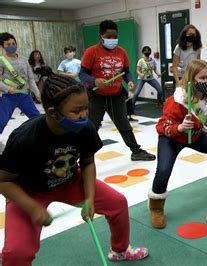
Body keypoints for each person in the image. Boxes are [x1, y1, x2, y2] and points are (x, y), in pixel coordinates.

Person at [0, 75, 149, 265]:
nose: (85, 114)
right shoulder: (24, 138)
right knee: (17, 253)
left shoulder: (85, 129)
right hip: (28, 192)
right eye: (77, 111)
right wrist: (33, 208)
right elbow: (4, 181)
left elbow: (87, 163)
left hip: (69, 181)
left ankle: (120, 250)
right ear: (53, 112)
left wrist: (89, 197)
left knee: (117, 203)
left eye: (86, 108)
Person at [149, 59, 207, 229]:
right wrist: (180, 127)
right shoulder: (178, 99)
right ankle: (156, 208)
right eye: (202, 77)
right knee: (164, 169)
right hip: (172, 138)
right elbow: (162, 125)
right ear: (191, 78)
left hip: (194, 135)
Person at [79, 20, 155, 161]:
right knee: (92, 126)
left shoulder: (121, 52)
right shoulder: (91, 52)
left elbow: (126, 71)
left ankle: (136, 151)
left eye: (115, 36)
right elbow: (82, 74)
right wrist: (94, 81)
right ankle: (82, 156)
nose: (112, 39)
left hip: (117, 94)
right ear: (101, 36)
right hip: (96, 95)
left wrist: (130, 80)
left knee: (124, 124)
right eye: (109, 36)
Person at [0, 32, 41, 136]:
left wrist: (37, 93)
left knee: (37, 118)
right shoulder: (1, 61)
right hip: (9, 96)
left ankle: (42, 138)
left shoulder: (24, 59)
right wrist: (7, 88)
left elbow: (30, 78)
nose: (12, 46)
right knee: (2, 121)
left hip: (25, 95)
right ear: (2, 46)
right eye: (8, 44)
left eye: (13, 43)